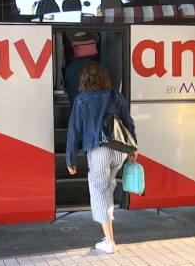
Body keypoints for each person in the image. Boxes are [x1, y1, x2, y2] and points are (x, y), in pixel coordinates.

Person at [65, 62, 137, 254]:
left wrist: (70, 160)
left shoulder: (82, 100)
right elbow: (128, 123)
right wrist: (133, 148)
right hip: (119, 149)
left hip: (99, 151)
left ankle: (109, 242)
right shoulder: (116, 96)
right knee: (108, 187)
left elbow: (74, 132)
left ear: (84, 80)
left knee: (99, 192)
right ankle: (108, 237)